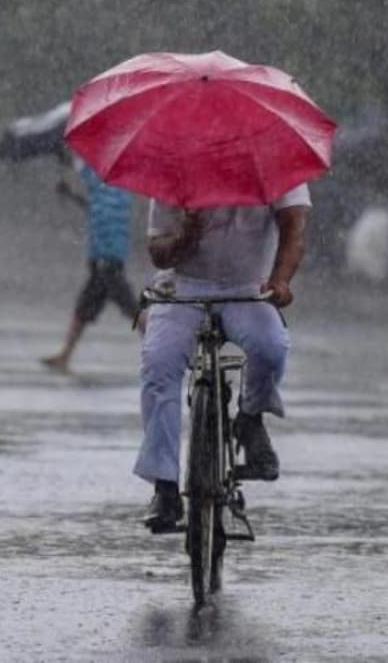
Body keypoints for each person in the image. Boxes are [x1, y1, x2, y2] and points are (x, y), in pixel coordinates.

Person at [138, 184, 312, 532]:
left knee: (271, 347)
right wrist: (185, 237)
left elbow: (294, 227)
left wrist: (280, 280)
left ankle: (250, 418)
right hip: (184, 288)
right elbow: (157, 252)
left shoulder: (273, 161)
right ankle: (165, 485)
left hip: (247, 289)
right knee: (158, 365)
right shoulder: (176, 169)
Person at [41, 158, 141, 372]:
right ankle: (65, 355)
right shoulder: (117, 190)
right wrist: (70, 194)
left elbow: (88, 180)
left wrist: (67, 166)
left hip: (106, 259)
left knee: (131, 308)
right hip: (104, 259)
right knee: (84, 309)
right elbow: (94, 208)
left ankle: (162, 353)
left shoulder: (105, 183)